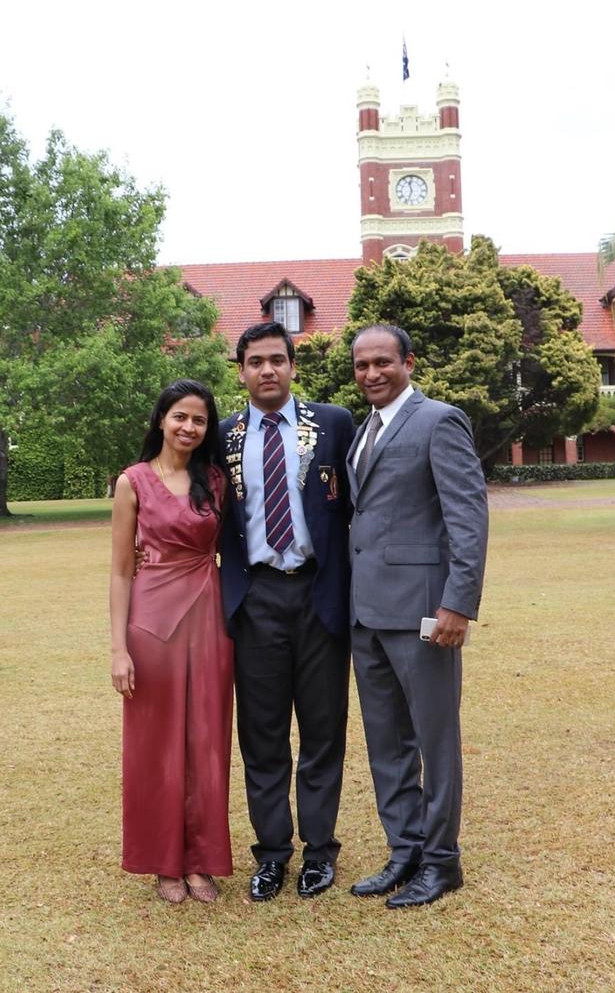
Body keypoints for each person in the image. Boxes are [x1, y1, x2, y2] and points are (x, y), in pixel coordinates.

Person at [346, 325, 488, 909]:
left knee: (435, 739)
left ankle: (442, 861)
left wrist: (458, 603)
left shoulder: (439, 420)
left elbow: (468, 518)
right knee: (386, 743)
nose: (372, 374)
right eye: (362, 366)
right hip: (366, 615)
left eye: (383, 362)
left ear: (408, 362)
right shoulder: (363, 431)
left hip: (425, 613)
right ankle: (403, 851)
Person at [218, 321, 355, 901]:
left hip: (320, 593)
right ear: (242, 370)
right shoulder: (221, 436)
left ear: (293, 366)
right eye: (255, 361)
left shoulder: (333, 423)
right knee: (262, 734)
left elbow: (357, 502)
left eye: (277, 359)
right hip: (255, 599)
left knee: (323, 731)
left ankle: (319, 853)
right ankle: (273, 853)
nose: (266, 370)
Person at [110, 379, 233, 904]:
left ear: (207, 429)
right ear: (161, 419)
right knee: (155, 743)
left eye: (199, 420)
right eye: (179, 416)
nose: (188, 427)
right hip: (151, 621)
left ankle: (202, 859)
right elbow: (119, 571)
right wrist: (118, 649)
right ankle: (164, 862)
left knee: (207, 739)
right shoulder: (132, 481)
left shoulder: (216, 480)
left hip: (209, 615)